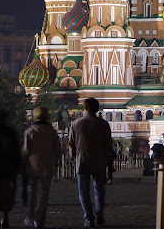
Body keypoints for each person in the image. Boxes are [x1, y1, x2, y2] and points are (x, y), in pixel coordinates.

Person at [69, 97, 113, 227]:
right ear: (97, 108)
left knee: (83, 191)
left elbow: (71, 144)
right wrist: (107, 158)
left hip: (82, 161)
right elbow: (108, 145)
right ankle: (99, 216)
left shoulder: (76, 124)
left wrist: (74, 158)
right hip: (99, 161)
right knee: (99, 190)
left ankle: (89, 218)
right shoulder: (103, 124)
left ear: (85, 108)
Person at [22, 106, 61, 229]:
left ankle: (30, 216)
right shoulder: (52, 132)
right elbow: (58, 151)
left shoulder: (30, 131)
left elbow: (26, 150)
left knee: (32, 191)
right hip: (48, 166)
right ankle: (40, 219)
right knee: (44, 194)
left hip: (33, 166)